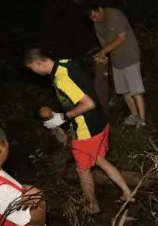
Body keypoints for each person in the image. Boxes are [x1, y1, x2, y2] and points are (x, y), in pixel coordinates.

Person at [24, 48, 133, 214]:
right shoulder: (66, 63)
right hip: (100, 121)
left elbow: (88, 103)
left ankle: (93, 206)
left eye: (33, 69)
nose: (34, 73)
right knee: (99, 160)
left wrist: (63, 117)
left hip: (87, 130)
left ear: (39, 63)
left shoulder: (61, 78)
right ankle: (127, 192)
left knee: (82, 170)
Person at [89, 4, 147, 127]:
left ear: (99, 9)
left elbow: (121, 38)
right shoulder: (97, 23)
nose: (95, 19)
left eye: (95, 16)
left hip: (130, 56)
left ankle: (142, 121)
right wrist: (102, 56)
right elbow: (103, 43)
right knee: (124, 91)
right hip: (116, 59)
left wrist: (104, 52)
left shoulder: (115, 15)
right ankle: (134, 115)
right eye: (92, 19)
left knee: (136, 90)